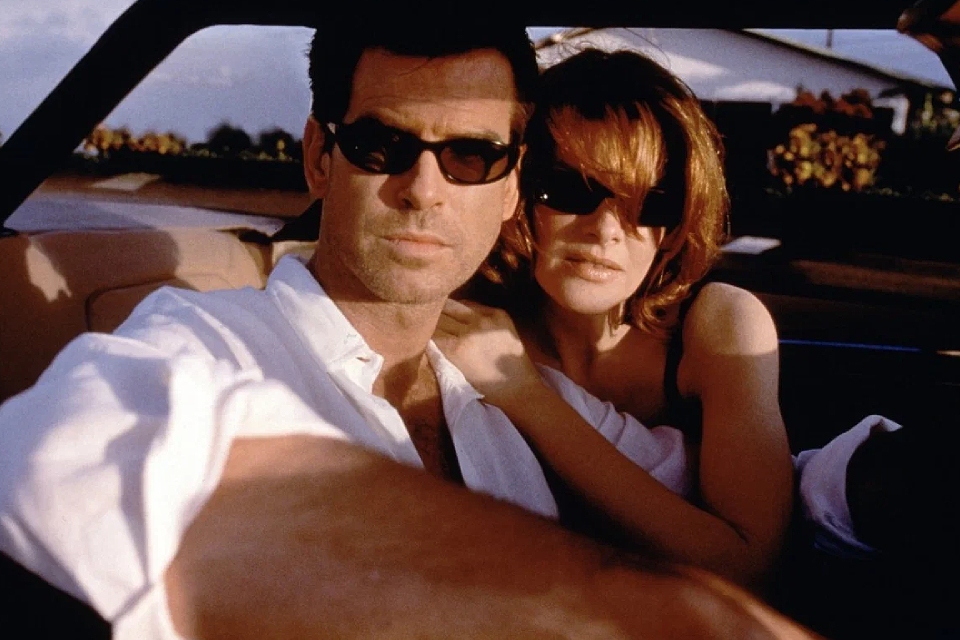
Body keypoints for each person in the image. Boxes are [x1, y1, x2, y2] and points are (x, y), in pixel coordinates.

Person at [0, 17, 818, 640]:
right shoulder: (211, 342)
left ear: (509, 187)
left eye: (471, 156)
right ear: (320, 158)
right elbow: (79, 454)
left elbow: (718, 515)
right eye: (381, 145)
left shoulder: (509, 376)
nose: (425, 188)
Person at [436, 47, 795, 591]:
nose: (606, 230)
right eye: (570, 188)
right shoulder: (471, 317)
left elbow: (746, 565)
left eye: (651, 203)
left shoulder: (720, 325)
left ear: (676, 225)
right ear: (518, 192)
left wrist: (525, 396)